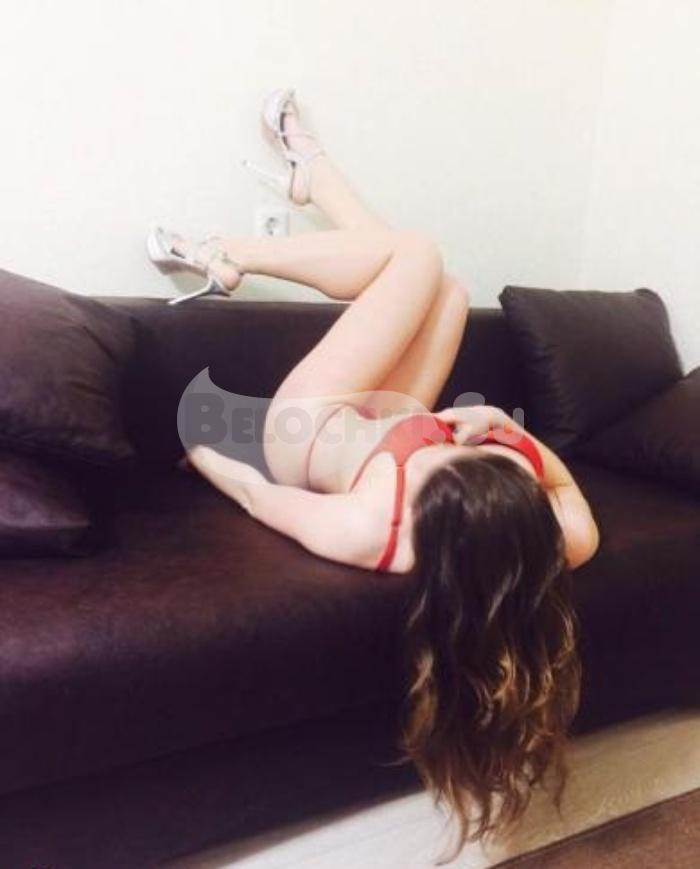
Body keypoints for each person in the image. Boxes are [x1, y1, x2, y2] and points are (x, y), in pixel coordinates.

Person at [146, 88, 600, 862]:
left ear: (430, 519)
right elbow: (563, 487)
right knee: (448, 290)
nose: (457, 436)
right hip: (392, 414)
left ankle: (226, 254)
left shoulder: (367, 529)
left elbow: (260, 495)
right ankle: (311, 179)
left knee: (416, 254)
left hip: (314, 428)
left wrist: (198, 453)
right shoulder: (556, 534)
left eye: (443, 465)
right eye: (488, 459)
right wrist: (510, 429)